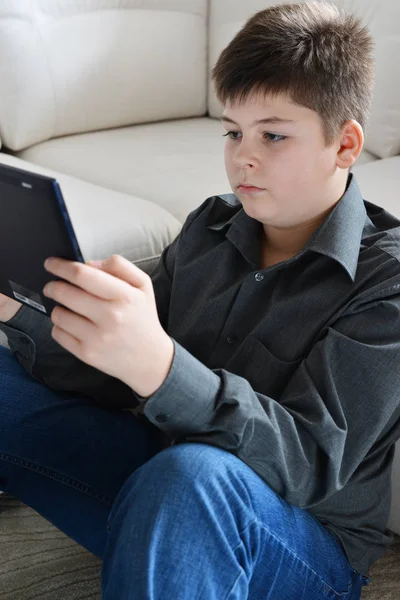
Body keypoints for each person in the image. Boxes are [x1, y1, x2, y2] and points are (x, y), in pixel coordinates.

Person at [0, 1, 398, 598]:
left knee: (191, 478)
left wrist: (160, 367)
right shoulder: (211, 227)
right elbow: (115, 382)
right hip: (163, 485)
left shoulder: (386, 283)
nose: (244, 157)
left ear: (344, 146)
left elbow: (310, 463)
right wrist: (16, 311)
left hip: (299, 544)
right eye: (233, 132)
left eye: (273, 135)